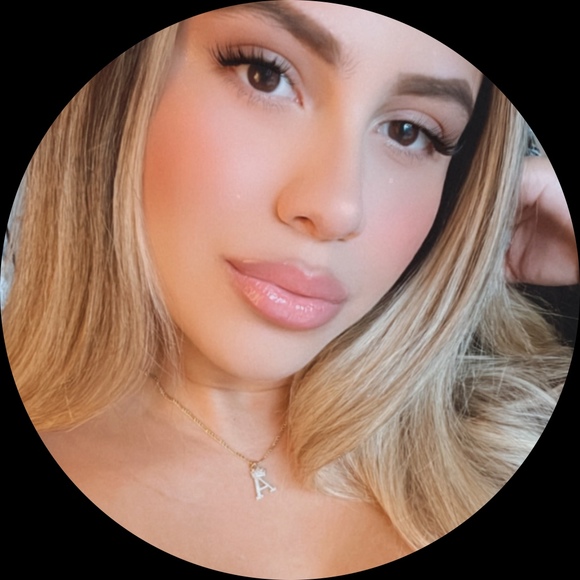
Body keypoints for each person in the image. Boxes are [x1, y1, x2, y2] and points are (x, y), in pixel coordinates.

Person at [2, 2, 577, 577]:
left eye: (410, 132)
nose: (338, 208)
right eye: (265, 74)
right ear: (125, 82)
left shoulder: (512, 431)